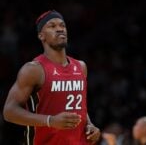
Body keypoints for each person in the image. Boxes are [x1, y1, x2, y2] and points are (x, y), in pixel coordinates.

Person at [3, 10, 100, 145]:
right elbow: (9, 112)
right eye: (52, 26)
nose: (60, 29)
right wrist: (50, 120)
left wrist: (90, 125)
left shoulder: (81, 67)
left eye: (62, 25)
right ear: (41, 36)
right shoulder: (33, 69)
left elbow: (80, 107)